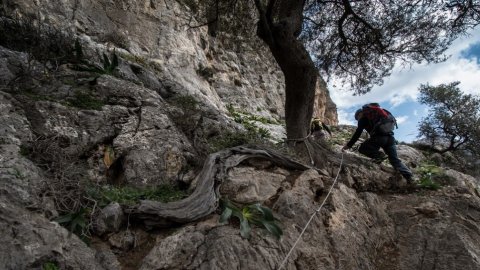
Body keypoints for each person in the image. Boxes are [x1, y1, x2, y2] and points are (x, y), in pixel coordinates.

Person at [342, 105, 414, 184]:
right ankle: (410, 177)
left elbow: (357, 133)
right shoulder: (378, 116)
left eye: (357, 118)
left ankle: (379, 156)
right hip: (390, 139)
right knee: (394, 160)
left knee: (362, 148)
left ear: (360, 114)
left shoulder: (363, 119)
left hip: (379, 138)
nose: (357, 120)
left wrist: (348, 145)